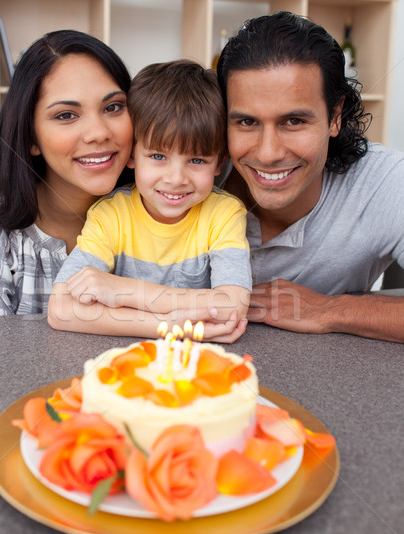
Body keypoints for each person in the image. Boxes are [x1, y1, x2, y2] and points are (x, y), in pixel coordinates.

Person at [216, 11, 404, 343]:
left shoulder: (383, 181)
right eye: (246, 122)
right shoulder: (187, 173)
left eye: (293, 121)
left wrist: (329, 310)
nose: (268, 153)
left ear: (335, 117)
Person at [0, 30, 133, 318]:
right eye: (66, 115)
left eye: (113, 107)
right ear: (30, 136)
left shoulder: (162, 212)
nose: (98, 133)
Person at [48, 60, 251, 342]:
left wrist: (119, 290)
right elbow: (61, 308)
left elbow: (232, 306)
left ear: (219, 163)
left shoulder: (224, 214)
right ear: (132, 154)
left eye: (196, 160)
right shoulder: (111, 215)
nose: (176, 178)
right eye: (158, 156)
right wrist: (169, 326)